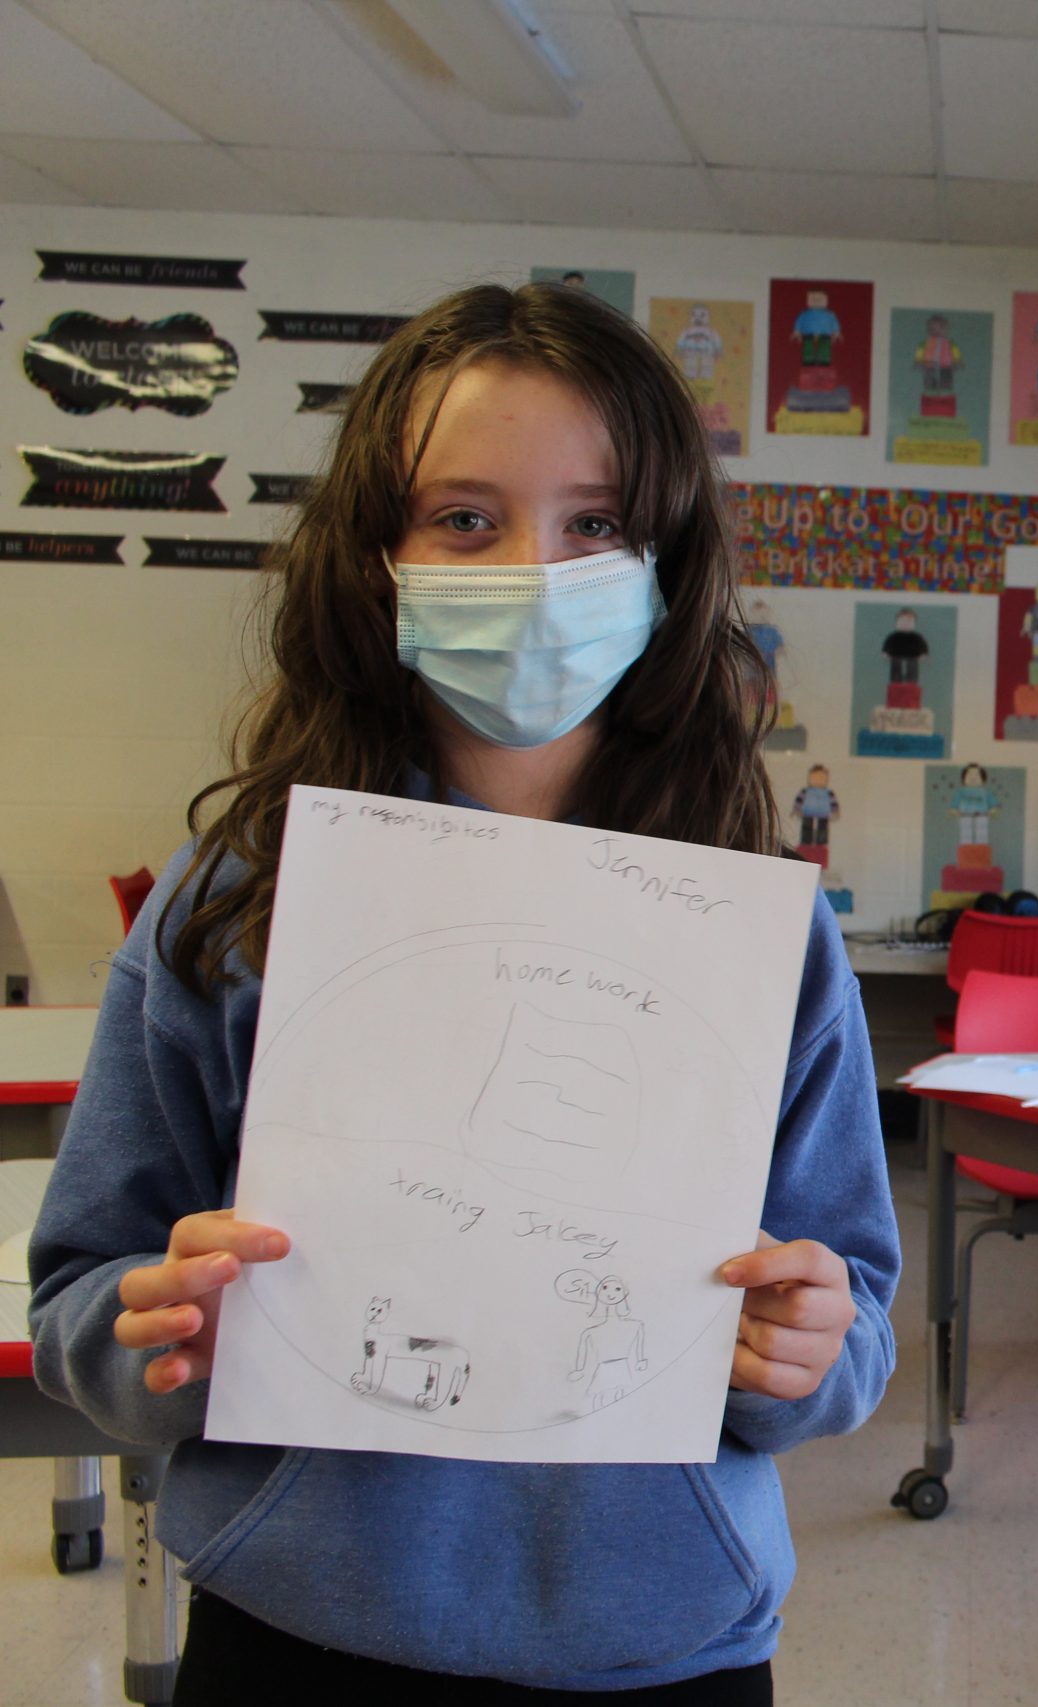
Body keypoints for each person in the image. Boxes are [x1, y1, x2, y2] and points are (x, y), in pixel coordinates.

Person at [28, 281, 901, 1704]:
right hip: (301, 1628)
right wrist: (158, 1326)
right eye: (466, 518)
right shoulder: (237, 899)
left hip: (662, 1642)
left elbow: (849, 1308)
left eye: (597, 523)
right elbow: (81, 1293)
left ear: (664, 562)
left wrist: (802, 1347)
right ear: (379, 555)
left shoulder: (756, 937)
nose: (538, 573)